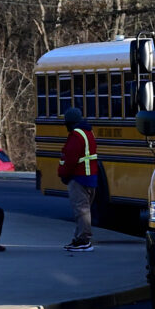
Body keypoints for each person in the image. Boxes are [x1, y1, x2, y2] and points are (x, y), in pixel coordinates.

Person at [58, 106, 100, 252]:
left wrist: (63, 174)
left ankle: (83, 240)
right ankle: (79, 238)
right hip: (90, 177)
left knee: (81, 211)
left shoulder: (76, 136)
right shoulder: (88, 133)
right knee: (85, 210)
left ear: (70, 122)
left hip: (79, 178)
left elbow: (70, 158)